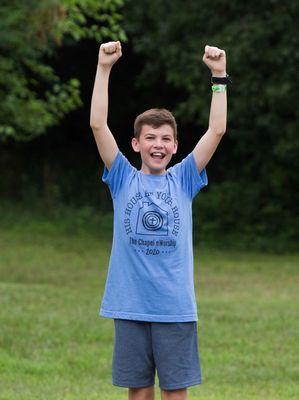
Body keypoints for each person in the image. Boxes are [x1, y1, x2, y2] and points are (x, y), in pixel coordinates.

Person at [90, 40, 229, 400]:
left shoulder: (183, 178)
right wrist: (104, 68)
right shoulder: (122, 177)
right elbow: (97, 124)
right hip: (130, 304)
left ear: (175, 145)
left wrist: (218, 76)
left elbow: (216, 131)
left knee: (174, 393)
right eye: (149, 137)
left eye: (165, 138)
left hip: (174, 307)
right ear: (135, 145)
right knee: (138, 392)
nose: (158, 144)